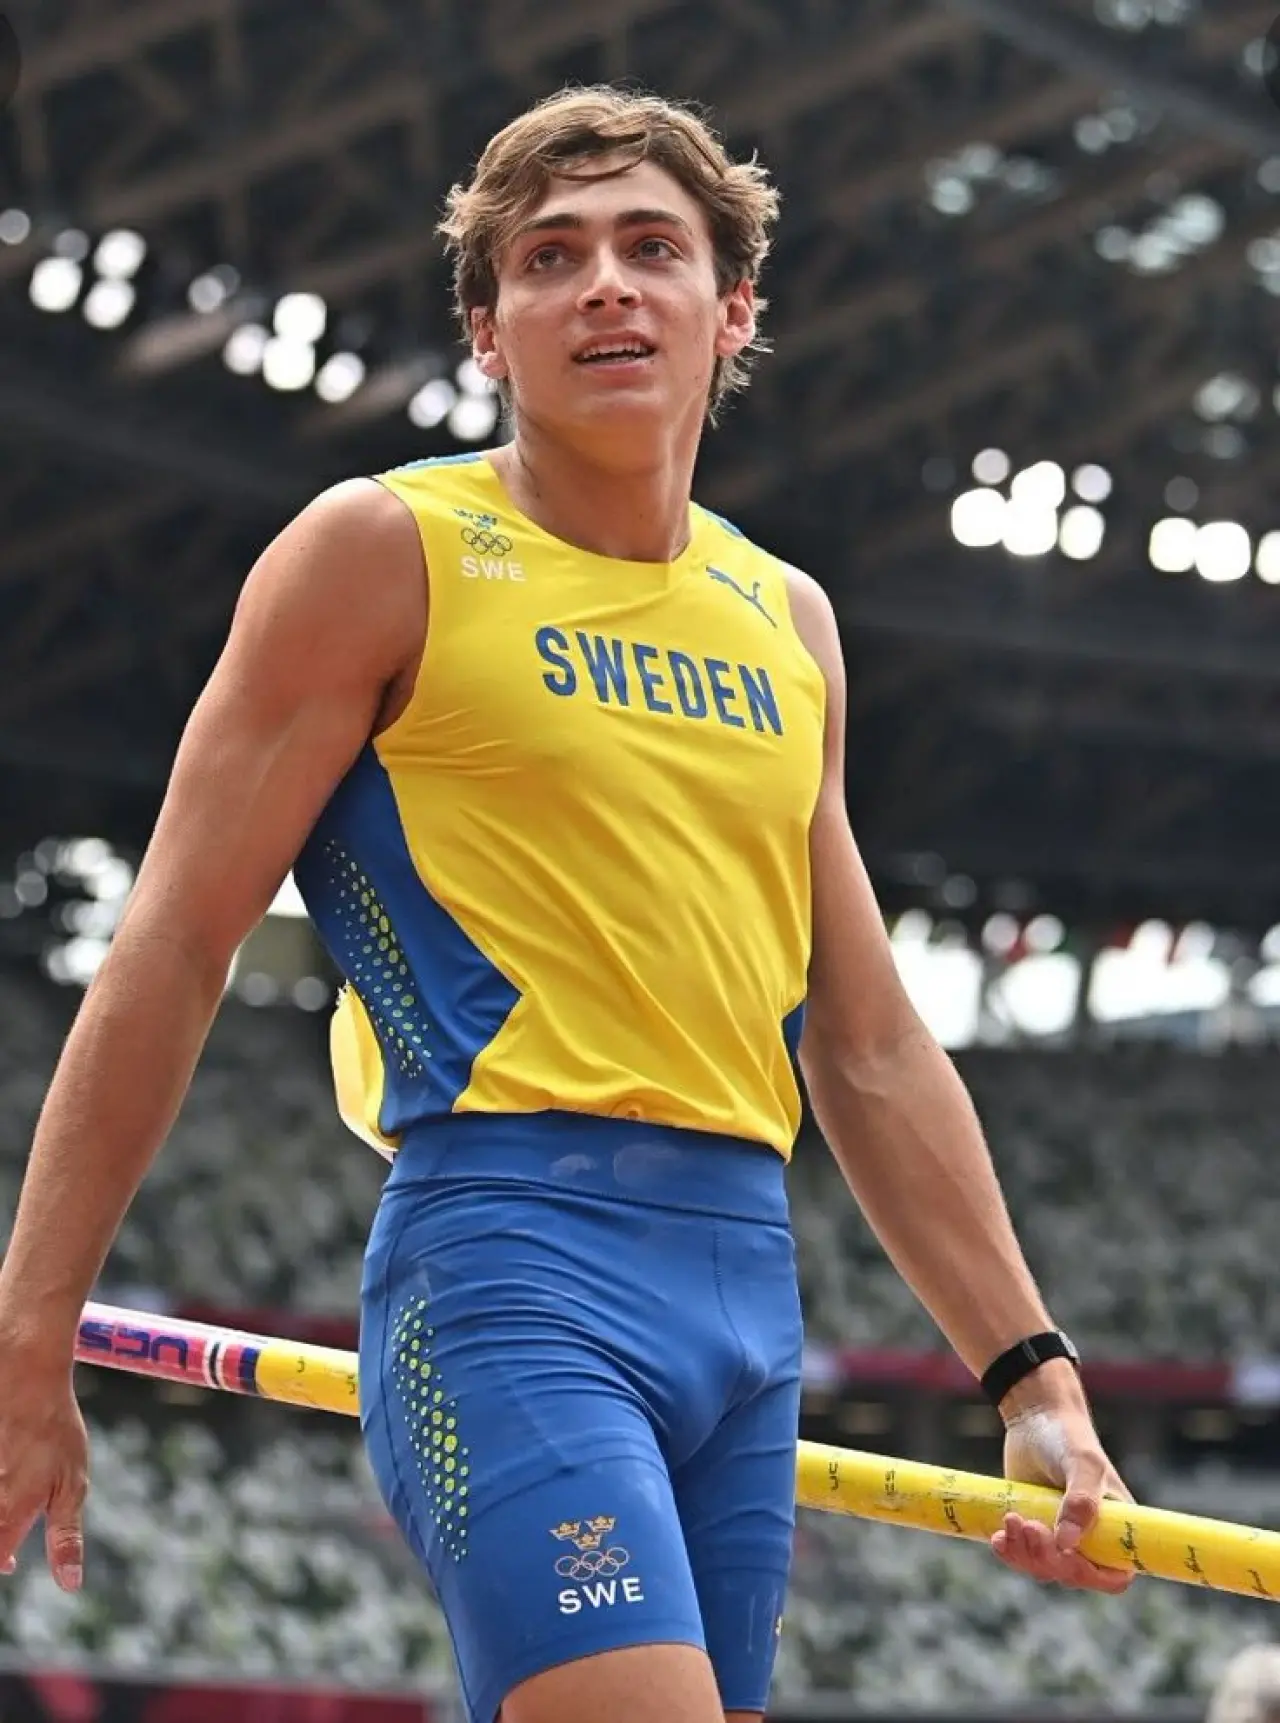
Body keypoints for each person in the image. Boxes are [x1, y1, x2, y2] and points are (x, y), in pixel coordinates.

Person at [0, 85, 1133, 1723]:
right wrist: (33, 1323)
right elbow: (173, 945)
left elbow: (870, 1043)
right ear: (488, 330)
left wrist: (1033, 1375)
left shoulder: (788, 621)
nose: (605, 282)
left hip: (749, 1305)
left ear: (732, 311)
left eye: (652, 247)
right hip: (509, 1268)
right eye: (550, 257)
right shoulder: (380, 552)